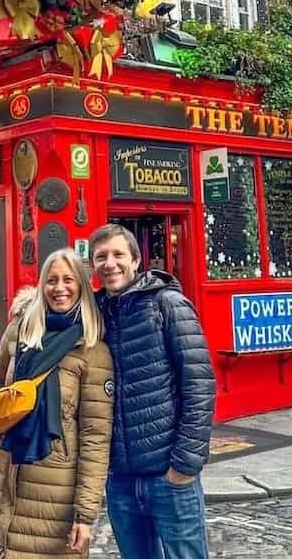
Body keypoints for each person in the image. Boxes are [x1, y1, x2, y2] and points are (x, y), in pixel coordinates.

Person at [0, 248, 113, 558]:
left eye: (68, 280)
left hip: (55, 493)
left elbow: (95, 438)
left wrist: (85, 515)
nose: (59, 288)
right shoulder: (20, 329)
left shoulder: (92, 349)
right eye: (51, 280)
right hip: (4, 476)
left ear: (82, 285)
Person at [90, 223, 215, 559]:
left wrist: (184, 466)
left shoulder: (168, 304)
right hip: (120, 480)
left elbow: (199, 386)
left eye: (118, 255)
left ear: (135, 260)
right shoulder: (95, 315)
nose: (110, 263)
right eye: (101, 257)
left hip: (168, 476)